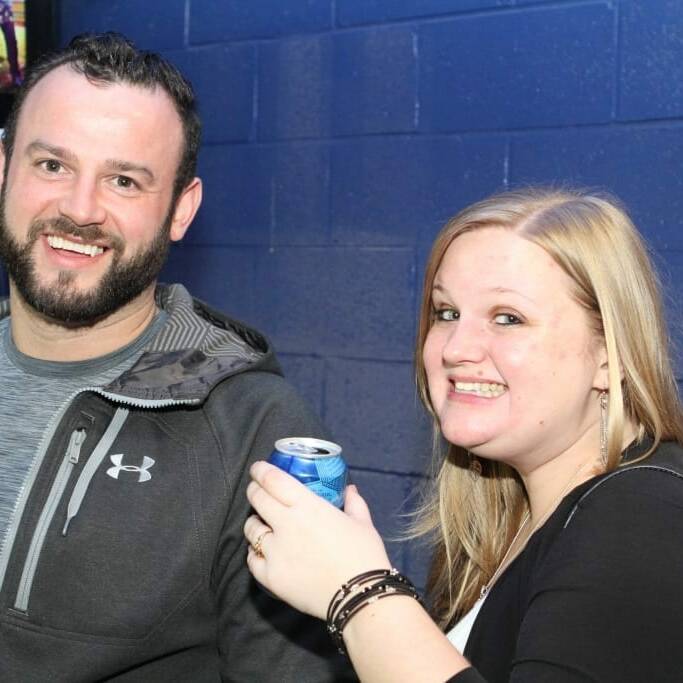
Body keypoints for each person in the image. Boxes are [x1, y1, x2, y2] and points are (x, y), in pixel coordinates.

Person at [0, 32, 352, 681]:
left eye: (124, 180)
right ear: (3, 169)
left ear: (180, 209)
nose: (79, 209)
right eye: (52, 165)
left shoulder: (257, 430)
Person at [244, 187, 683, 682]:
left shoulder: (640, 515)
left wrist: (360, 591)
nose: (456, 349)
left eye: (507, 318)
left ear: (608, 355)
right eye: (447, 313)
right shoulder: (516, 520)